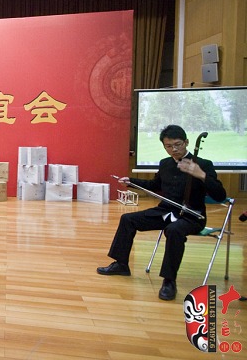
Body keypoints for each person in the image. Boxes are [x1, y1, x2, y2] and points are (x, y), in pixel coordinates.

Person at [97, 125, 226, 301]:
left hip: (192, 216)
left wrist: (201, 175)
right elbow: (155, 185)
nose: (174, 149)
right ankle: (121, 264)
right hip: (165, 211)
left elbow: (220, 195)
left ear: (186, 142)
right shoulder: (165, 164)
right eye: (168, 146)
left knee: (173, 230)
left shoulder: (203, 165)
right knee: (128, 219)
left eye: (178, 144)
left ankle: (169, 281)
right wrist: (131, 182)